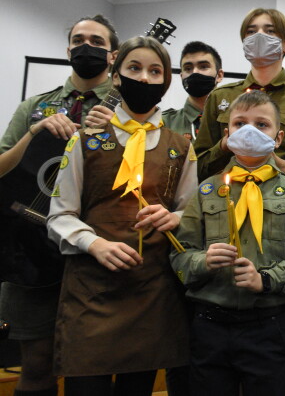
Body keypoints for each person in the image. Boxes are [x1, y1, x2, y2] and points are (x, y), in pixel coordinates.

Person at [47, 36, 196, 396]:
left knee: (138, 388)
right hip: (91, 288)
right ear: (116, 76)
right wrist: (94, 244)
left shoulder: (181, 147)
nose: (144, 78)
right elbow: (59, 215)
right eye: (134, 68)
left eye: (155, 71)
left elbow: (192, 212)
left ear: (166, 82)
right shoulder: (85, 140)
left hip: (152, 289)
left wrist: (176, 218)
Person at [170, 90, 285, 396]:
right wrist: (203, 261)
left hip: (267, 324)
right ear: (227, 134)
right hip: (210, 323)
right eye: (240, 124)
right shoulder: (206, 190)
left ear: (278, 138)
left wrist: (266, 280)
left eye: (262, 124)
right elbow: (179, 255)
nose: (250, 131)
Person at [0, 14, 118, 396]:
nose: (87, 47)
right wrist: (34, 133)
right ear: (68, 50)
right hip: (30, 250)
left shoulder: (126, 112)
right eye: (79, 40)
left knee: (94, 367)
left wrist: (118, 129)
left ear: (113, 56)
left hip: (94, 251)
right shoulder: (35, 106)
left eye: (97, 42)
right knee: (35, 366)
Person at [194, 8, 285, 181]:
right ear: (244, 43)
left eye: (270, 31)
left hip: (284, 193)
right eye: (251, 32)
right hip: (225, 193)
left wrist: (280, 165)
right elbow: (197, 168)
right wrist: (224, 146)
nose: (259, 36)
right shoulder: (220, 97)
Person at [162, 41, 224, 140]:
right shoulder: (164, 124)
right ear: (181, 77)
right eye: (188, 68)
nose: (195, 72)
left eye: (203, 67)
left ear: (219, 75)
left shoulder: (235, 120)